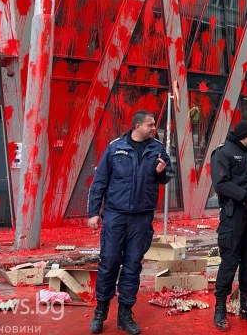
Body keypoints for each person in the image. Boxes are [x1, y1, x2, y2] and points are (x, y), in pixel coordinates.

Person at [87, 110, 173, 335]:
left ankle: (125, 313)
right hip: (115, 215)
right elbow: (99, 182)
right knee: (109, 263)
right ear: (137, 126)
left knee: (133, 265)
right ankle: (101, 311)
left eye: (154, 125)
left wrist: (162, 172)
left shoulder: (157, 149)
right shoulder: (115, 148)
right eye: (150, 124)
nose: (154, 128)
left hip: (141, 218)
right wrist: (93, 213)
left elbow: (166, 176)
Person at [211, 120, 247, 330]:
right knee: (229, 261)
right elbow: (220, 183)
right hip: (233, 214)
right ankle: (220, 308)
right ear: (244, 135)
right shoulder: (223, 153)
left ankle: (246, 304)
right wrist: (244, 196)